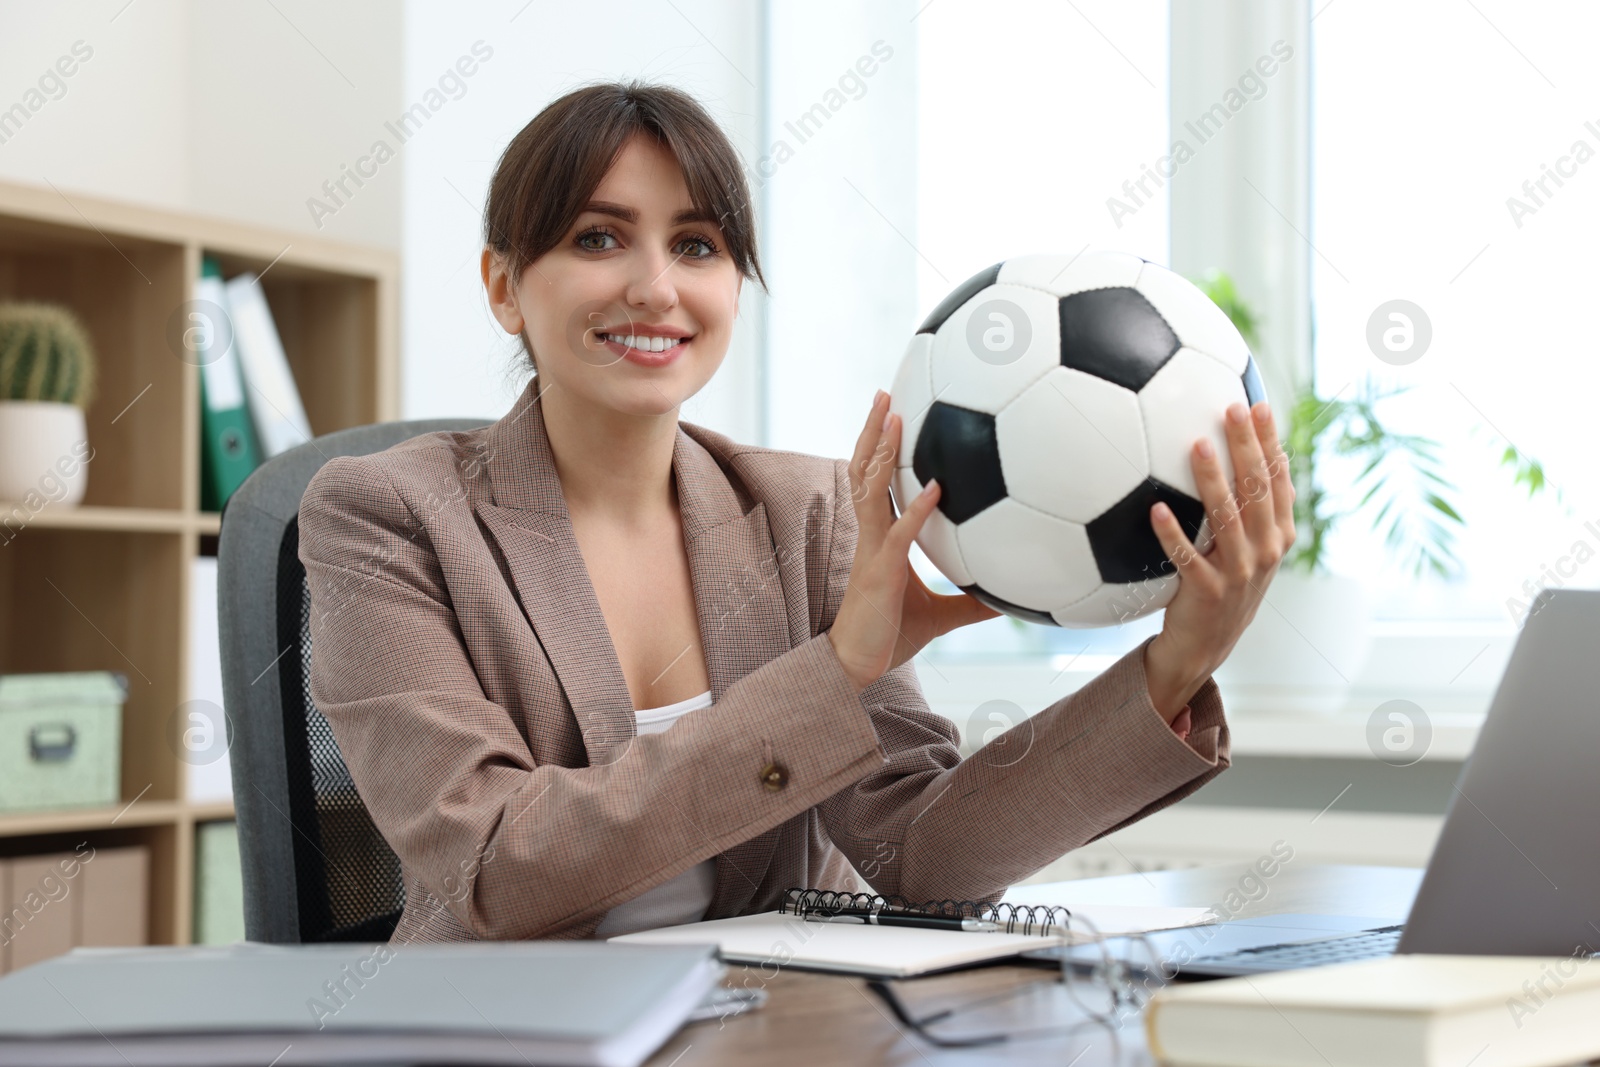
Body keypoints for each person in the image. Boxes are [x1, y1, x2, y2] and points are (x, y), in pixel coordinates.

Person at [298, 81, 1296, 944]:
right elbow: (496, 866)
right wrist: (832, 670)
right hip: (504, 1037)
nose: (654, 287)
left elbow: (920, 854)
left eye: (696, 243)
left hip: (763, 1023)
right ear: (505, 287)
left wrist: (1173, 665)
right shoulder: (384, 516)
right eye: (598, 237)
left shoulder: (808, 511)